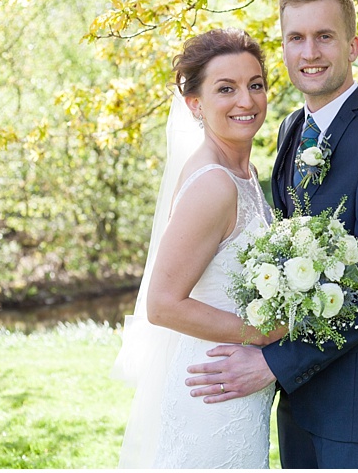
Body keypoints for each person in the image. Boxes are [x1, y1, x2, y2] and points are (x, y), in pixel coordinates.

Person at [184, 0, 358, 469]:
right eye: (295, 38)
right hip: (298, 395)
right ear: (283, 48)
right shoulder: (291, 128)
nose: (310, 52)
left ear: (353, 45)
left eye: (324, 36)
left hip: (357, 399)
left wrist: (272, 361)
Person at [111, 28, 285, 468]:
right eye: (225, 89)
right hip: (213, 384)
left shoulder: (243, 171)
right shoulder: (213, 183)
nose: (246, 101)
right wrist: (260, 334)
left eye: (255, 84)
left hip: (236, 382)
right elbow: (163, 305)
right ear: (195, 104)